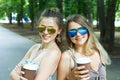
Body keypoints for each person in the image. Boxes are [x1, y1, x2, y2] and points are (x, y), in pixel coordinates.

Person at [10, 8, 63, 80]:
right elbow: (12, 74)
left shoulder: (54, 53)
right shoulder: (34, 48)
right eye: (42, 28)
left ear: (59, 30)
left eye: (51, 29)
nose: (45, 32)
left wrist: (18, 77)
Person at [57, 14, 111, 80]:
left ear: (88, 30)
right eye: (72, 32)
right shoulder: (67, 57)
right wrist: (69, 77)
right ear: (68, 36)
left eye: (82, 30)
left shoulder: (98, 51)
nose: (78, 34)